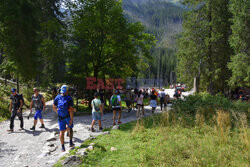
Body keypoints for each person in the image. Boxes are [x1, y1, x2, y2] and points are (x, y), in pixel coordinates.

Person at [53, 85, 75, 152]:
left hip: (60, 117)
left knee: (61, 132)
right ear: (67, 91)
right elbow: (71, 110)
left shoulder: (57, 97)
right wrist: (71, 119)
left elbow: (54, 106)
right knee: (70, 128)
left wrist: (58, 113)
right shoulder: (69, 98)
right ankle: (70, 142)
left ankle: (63, 147)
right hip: (67, 117)